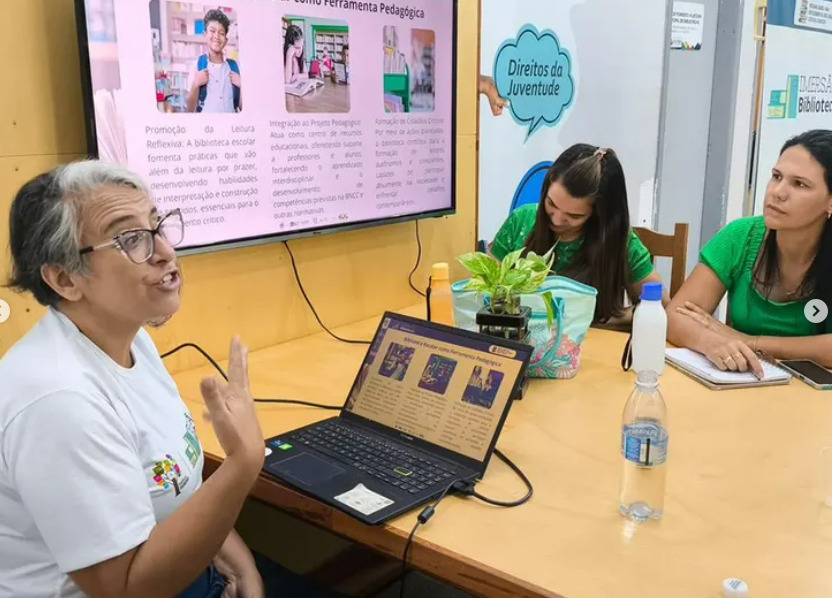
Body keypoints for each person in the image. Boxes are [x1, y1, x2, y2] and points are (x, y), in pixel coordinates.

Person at [0, 161, 336, 598]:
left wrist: (242, 565)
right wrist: (242, 464)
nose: (165, 252)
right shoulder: (59, 404)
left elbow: (175, 494)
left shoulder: (130, 339)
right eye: (130, 239)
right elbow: (125, 590)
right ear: (65, 279)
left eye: (157, 226)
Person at [668, 129, 832, 375]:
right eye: (776, 176)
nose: (777, 192)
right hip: (745, 383)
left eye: (799, 184)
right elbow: (676, 316)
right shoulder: (740, 236)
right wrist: (712, 343)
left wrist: (748, 342)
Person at [489, 143, 666, 326]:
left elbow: (660, 307)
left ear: (599, 216)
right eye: (551, 204)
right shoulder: (522, 221)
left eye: (574, 216)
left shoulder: (621, 243)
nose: (557, 220)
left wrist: (609, 317)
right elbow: (482, 289)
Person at [186, 9, 241, 113]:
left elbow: (242, 107)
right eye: (212, 31)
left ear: (226, 40)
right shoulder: (197, 66)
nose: (216, 36)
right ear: (205, 35)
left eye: (221, 33)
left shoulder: (235, 67)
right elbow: (190, 109)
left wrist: (242, 85)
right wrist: (196, 84)